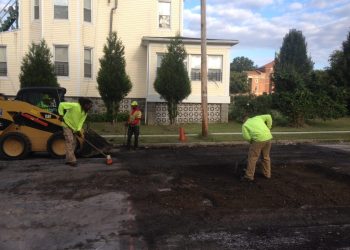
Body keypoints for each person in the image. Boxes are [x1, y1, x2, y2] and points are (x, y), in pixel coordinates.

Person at [58, 97, 93, 167]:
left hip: (73, 128)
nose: (90, 107)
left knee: (74, 143)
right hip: (66, 125)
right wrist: (61, 114)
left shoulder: (84, 113)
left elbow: (80, 123)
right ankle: (72, 160)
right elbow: (61, 105)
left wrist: (78, 130)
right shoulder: (75, 106)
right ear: (85, 104)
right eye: (89, 105)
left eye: (91, 106)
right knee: (69, 141)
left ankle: (68, 159)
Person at [241, 114, 273, 182]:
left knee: (252, 158)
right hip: (268, 138)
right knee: (266, 157)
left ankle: (249, 176)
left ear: (243, 120)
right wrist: (268, 128)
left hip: (258, 140)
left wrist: (251, 141)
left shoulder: (245, 125)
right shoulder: (258, 118)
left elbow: (246, 137)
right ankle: (267, 174)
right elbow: (269, 116)